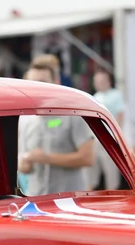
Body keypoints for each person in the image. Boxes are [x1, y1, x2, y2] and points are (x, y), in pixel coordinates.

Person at [18, 61, 94, 195]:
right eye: (32, 83)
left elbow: (87, 158)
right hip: (36, 202)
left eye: (42, 82)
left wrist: (47, 158)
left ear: (56, 82)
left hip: (70, 202)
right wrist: (23, 166)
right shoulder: (26, 121)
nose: (36, 88)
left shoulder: (73, 115)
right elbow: (22, 162)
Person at [91, 69, 125, 190]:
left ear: (108, 82)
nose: (98, 83)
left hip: (109, 139)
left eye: (101, 81)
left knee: (110, 171)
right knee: (92, 171)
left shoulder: (116, 95)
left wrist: (116, 135)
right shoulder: (94, 97)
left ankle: (113, 194)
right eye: (96, 81)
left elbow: (120, 114)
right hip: (96, 140)